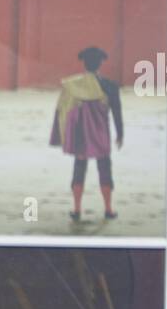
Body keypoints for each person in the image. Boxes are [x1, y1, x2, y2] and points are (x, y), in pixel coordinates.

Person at [49, 45, 123, 221]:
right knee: (105, 168)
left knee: (79, 168)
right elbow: (117, 113)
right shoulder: (110, 86)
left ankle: (76, 209)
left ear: (84, 64)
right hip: (101, 135)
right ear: (100, 64)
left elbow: (62, 110)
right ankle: (108, 209)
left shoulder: (73, 85)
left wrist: (61, 135)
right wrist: (120, 134)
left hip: (80, 136)